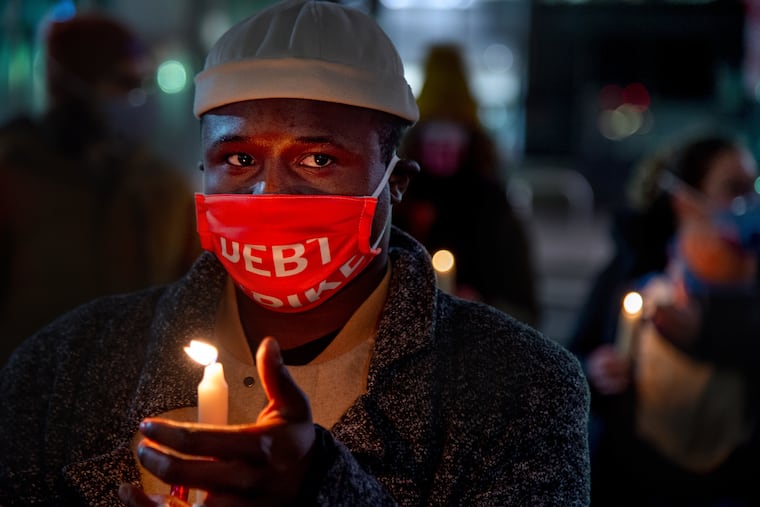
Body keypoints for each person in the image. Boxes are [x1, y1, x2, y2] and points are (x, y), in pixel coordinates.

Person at [0, 1, 590, 505]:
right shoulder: (63, 368)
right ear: (201, 170)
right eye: (239, 160)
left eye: (318, 160)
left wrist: (323, 491)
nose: (270, 193)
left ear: (397, 183)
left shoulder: (521, 388)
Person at [568, 133, 760, 506]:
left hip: (729, 487)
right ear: (686, 199)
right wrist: (594, 371)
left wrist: (704, 336)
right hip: (632, 482)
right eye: (733, 189)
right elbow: (575, 354)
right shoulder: (633, 268)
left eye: (752, 187)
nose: (748, 203)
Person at [0, 12, 200, 365]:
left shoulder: (164, 188)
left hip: (136, 389)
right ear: (66, 86)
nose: (138, 98)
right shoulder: (14, 181)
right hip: (28, 395)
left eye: (143, 82)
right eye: (122, 81)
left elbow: (193, 298)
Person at [393, 44, 540, 326]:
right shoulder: (401, 199)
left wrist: (483, 305)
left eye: (452, 133)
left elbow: (522, 304)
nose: (443, 147)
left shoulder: (490, 205)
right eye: (435, 132)